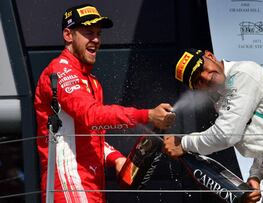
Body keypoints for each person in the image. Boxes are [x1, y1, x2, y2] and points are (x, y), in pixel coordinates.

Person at [34, 4, 174, 202]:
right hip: (68, 185)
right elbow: (92, 116)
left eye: (99, 33)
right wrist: (147, 115)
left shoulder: (92, 82)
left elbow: (92, 135)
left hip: (92, 187)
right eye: (88, 33)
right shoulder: (59, 71)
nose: (96, 40)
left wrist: (115, 158)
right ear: (68, 35)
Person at [163, 49, 263, 203]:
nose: (206, 77)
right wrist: (256, 175)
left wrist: (183, 144)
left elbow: (226, 135)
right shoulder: (221, 96)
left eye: (202, 68)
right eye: (198, 80)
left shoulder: (242, 74)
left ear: (210, 55)